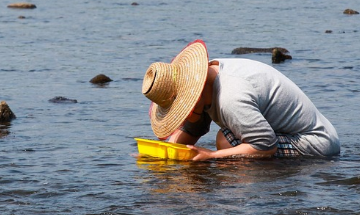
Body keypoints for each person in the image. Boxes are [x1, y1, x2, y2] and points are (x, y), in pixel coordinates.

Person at [141, 40, 339, 161]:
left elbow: (265, 145)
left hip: (316, 144)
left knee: (226, 141)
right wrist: (162, 156)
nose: (183, 116)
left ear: (195, 94)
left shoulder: (230, 97)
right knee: (226, 141)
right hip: (285, 132)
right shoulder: (206, 77)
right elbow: (194, 128)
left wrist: (210, 156)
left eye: (183, 110)